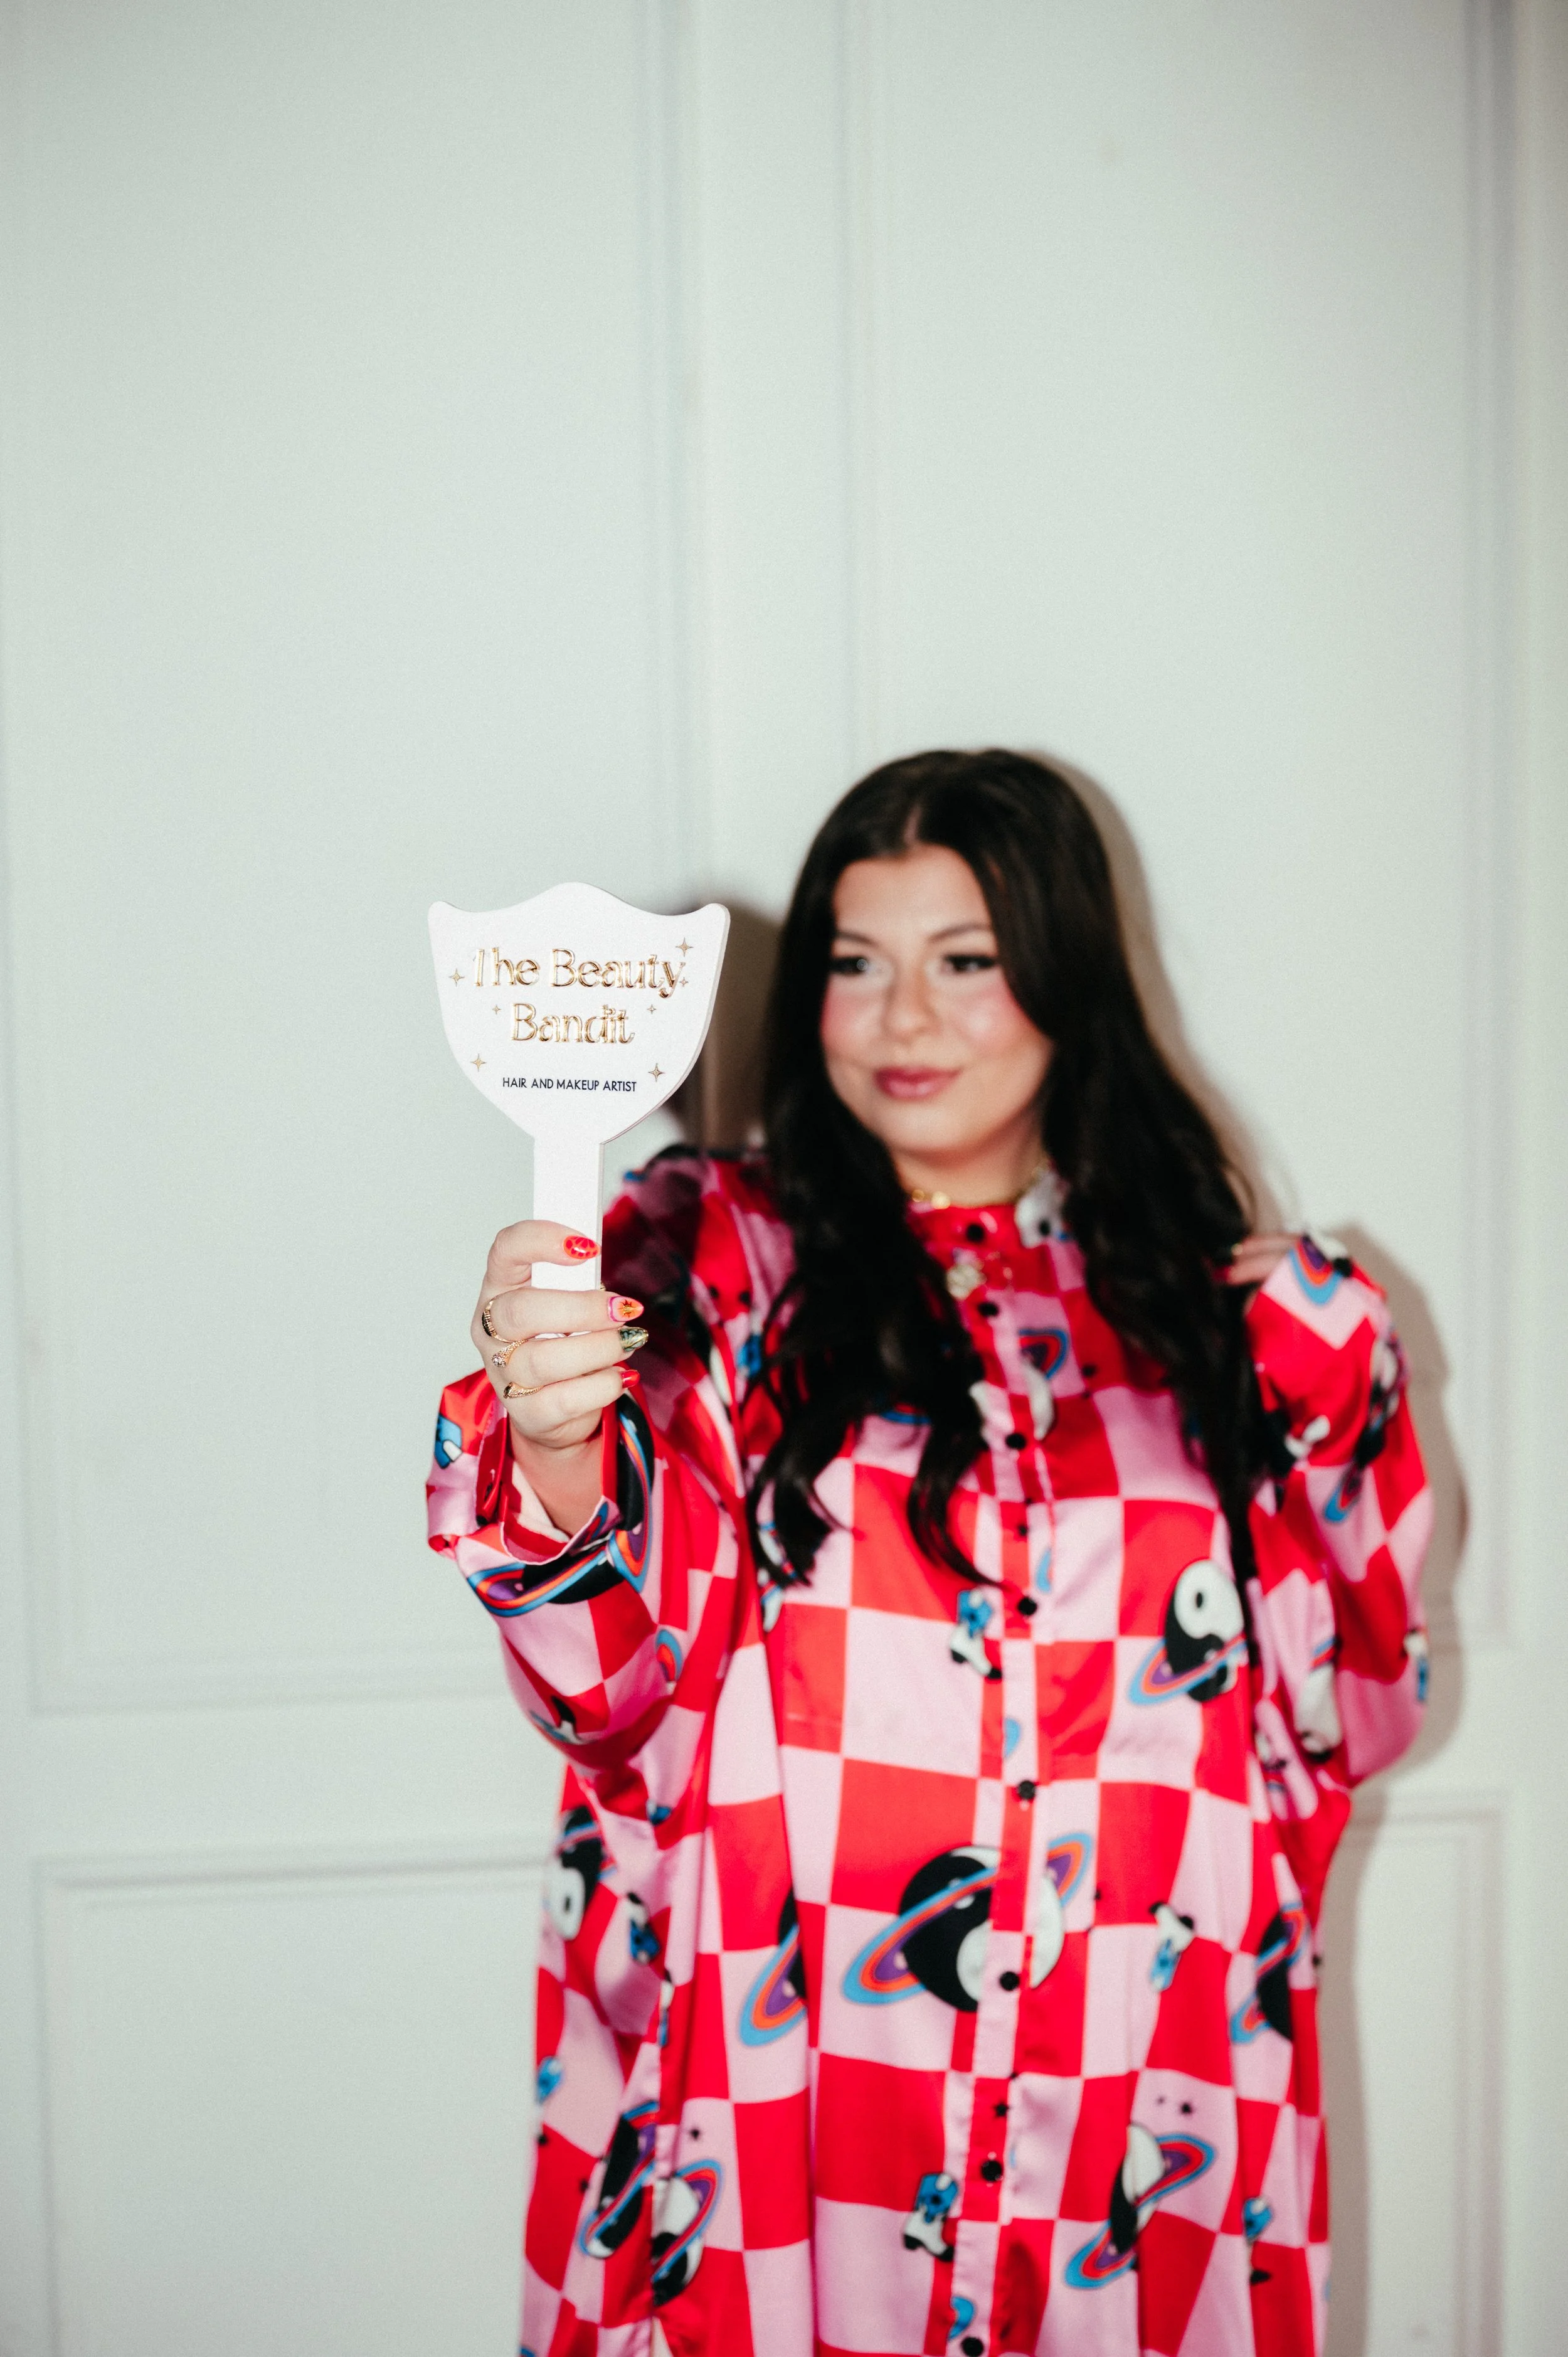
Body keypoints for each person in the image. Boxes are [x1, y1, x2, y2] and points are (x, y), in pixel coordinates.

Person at [426, 750, 1430, 2357]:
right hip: (791, 2122)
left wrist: (1329, 1390)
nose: (901, 1021)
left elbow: (1348, 1722)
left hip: (1128, 2124)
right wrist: (553, 1441)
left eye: (964, 962)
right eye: (853, 962)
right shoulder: (709, 1261)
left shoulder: (1232, 1320)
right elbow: (609, 1684)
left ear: (1064, 980)